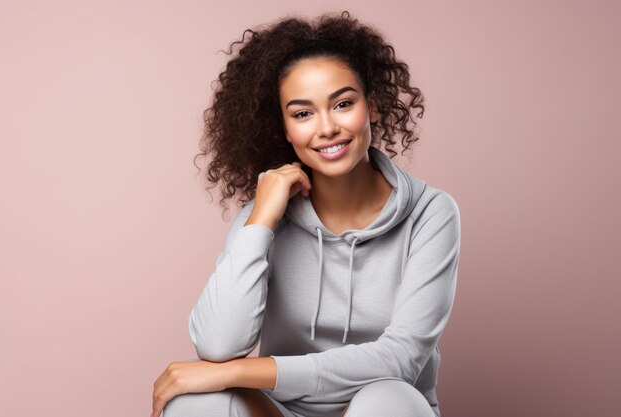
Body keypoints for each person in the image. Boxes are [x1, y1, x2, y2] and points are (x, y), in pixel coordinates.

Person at [151, 10, 461, 417]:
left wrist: (246, 371)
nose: (326, 127)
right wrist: (260, 220)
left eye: (343, 104)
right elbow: (216, 346)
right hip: (283, 409)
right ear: (282, 128)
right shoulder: (265, 214)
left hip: (384, 406)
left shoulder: (430, 213)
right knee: (196, 404)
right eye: (302, 113)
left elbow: (401, 358)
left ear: (374, 107)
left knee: (385, 402)